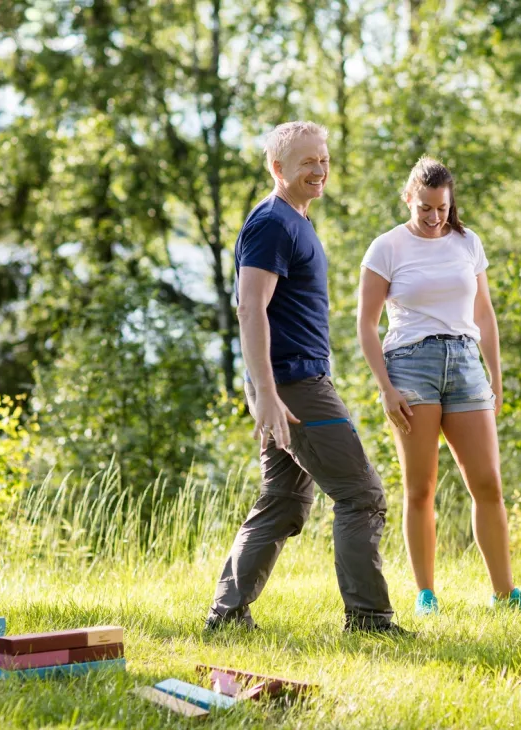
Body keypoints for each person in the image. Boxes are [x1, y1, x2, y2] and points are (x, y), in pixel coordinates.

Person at [205, 121, 406, 634]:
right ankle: (368, 620)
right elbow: (250, 308)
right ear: (278, 169)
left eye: (323, 160)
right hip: (293, 385)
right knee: (362, 495)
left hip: (297, 379)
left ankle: (226, 616)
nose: (319, 170)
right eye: (306, 163)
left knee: (284, 498)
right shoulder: (272, 222)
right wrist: (266, 393)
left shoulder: (296, 220)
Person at [358, 156, 521, 616]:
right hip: (410, 365)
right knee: (420, 488)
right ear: (409, 198)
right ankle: (427, 594)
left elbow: (484, 314)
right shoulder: (386, 248)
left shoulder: (468, 242)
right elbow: (366, 324)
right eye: (425, 207)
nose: (433, 217)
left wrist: (495, 377)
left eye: (441, 208)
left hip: (466, 365)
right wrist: (386, 388)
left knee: (488, 483)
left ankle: (505, 593)